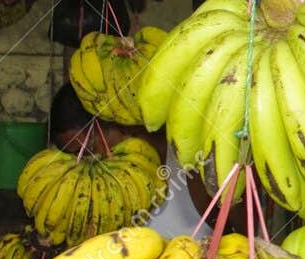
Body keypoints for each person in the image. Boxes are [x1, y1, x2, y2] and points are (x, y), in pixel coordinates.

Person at [48, 84, 213, 239]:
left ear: (114, 121)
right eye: (76, 157)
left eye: (86, 150)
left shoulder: (192, 164)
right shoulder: (99, 198)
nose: (87, 161)